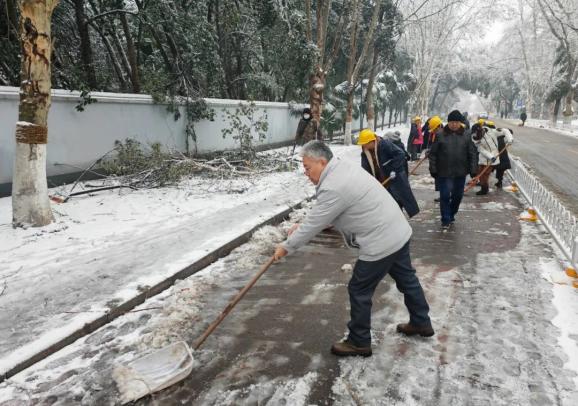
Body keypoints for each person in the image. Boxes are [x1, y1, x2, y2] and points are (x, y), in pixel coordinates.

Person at [274, 140, 434, 357]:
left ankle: (359, 341)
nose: (306, 173)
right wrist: (302, 226)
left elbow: (319, 219)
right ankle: (421, 321)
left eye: (307, 167)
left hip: (381, 240)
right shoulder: (341, 169)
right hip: (396, 230)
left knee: (359, 289)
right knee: (407, 279)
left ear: (322, 162)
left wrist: (286, 247)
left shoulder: (333, 185)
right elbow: (327, 214)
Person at [428, 110, 478, 230]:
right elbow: (433, 154)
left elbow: (472, 153)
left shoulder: (466, 135)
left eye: (456, 122)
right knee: (444, 196)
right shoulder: (440, 134)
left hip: (460, 172)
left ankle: (451, 213)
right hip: (444, 172)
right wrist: (433, 169)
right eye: (452, 122)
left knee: (457, 196)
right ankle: (445, 219)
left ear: (460, 123)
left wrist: (473, 170)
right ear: (448, 122)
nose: (454, 125)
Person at [357, 129, 420, 218]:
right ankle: (392, 223)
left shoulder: (384, 144)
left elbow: (400, 154)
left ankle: (399, 223)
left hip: (394, 179)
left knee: (398, 202)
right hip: (381, 182)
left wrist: (394, 169)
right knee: (387, 205)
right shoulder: (365, 153)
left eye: (365, 143)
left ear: (372, 141)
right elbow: (365, 170)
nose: (363, 146)